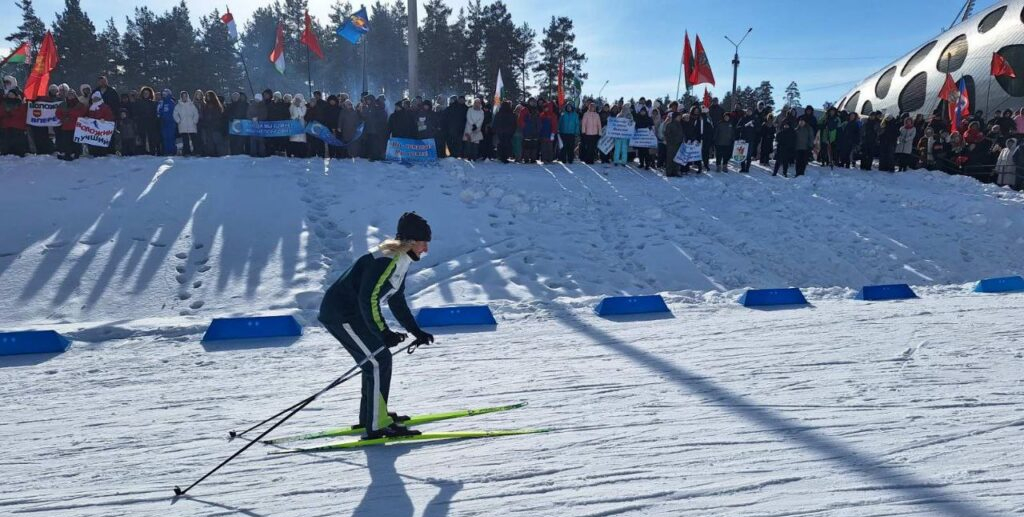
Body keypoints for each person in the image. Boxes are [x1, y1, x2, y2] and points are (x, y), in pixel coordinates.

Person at [317, 212, 435, 440]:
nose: (425, 249)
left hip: (353, 315)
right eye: (424, 243)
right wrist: (383, 332)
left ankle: (371, 416)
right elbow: (368, 298)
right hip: (341, 314)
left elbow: (396, 299)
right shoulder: (387, 259)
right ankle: (376, 424)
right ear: (412, 241)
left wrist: (415, 331)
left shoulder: (400, 258)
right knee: (379, 360)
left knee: (376, 360)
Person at [56, 89, 86, 160]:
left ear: (75, 95)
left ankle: (77, 154)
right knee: (66, 142)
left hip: (77, 126)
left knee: (76, 142)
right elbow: (57, 113)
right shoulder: (63, 104)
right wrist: (63, 118)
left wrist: (71, 113)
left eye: (72, 94)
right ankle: (68, 154)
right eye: (69, 94)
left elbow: (82, 113)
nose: (70, 96)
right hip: (66, 126)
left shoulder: (80, 104)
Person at [85, 91, 115, 157]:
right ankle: (93, 152)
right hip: (93, 128)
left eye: (96, 98)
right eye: (94, 98)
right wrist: (86, 118)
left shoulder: (105, 107)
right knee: (93, 140)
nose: (95, 100)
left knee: (101, 141)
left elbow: (110, 116)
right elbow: (88, 115)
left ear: (99, 98)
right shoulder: (90, 107)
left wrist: (104, 119)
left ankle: (102, 153)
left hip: (102, 128)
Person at [0, 90, 29, 156]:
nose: (10, 95)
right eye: (9, 94)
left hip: (18, 126)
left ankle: (19, 151)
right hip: (6, 125)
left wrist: (11, 112)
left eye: (12, 94)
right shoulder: (4, 103)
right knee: (6, 140)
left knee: (18, 140)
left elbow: (23, 113)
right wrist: (6, 113)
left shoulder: (20, 103)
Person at [134, 87, 159, 155]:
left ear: (150, 94)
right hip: (141, 123)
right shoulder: (138, 102)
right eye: (144, 93)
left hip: (151, 123)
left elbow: (155, 113)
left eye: (147, 93)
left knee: (151, 138)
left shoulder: (153, 103)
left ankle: (152, 152)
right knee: (142, 138)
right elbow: (135, 113)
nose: (146, 94)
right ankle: (142, 152)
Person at [174, 91, 199, 156]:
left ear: (187, 96)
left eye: (185, 96)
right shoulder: (178, 106)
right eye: (183, 96)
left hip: (192, 124)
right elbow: (175, 114)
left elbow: (196, 113)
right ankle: (187, 152)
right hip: (182, 125)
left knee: (194, 139)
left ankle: (196, 151)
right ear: (181, 97)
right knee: (185, 140)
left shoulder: (191, 105)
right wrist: (178, 121)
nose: (184, 97)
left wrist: (195, 121)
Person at [663, 111, 684, 177]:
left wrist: (682, 139)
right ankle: (669, 172)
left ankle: (676, 171)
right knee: (670, 158)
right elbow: (667, 134)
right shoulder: (669, 124)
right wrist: (672, 141)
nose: (680, 118)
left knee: (677, 158)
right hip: (671, 144)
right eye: (678, 116)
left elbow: (681, 133)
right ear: (675, 117)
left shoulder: (680, 124)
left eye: (680, 116)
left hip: (679, 144)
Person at [157, 89, 177, 155]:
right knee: (165, 137)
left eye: (165, 94)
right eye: (163, 94)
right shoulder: (161, 102)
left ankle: (172, 151)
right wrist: (159, 116)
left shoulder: (171, 102)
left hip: (171, 123)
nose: (164, 95)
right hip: (163, 123)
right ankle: (166, 151)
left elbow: (174, 113)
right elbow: (158, 111)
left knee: (171, 137)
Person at [287, 93, 307, 158]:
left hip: (301, 123)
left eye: (298, 99)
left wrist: (298, 107)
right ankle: (294, 153)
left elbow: (302, 114)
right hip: (294, 123)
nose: (297, 100)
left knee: (301, 139)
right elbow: (291, 114)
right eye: (296, 99)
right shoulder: (292, 106)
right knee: (294, 139)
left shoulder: (303, 106)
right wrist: (293, 117)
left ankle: (301, 153)